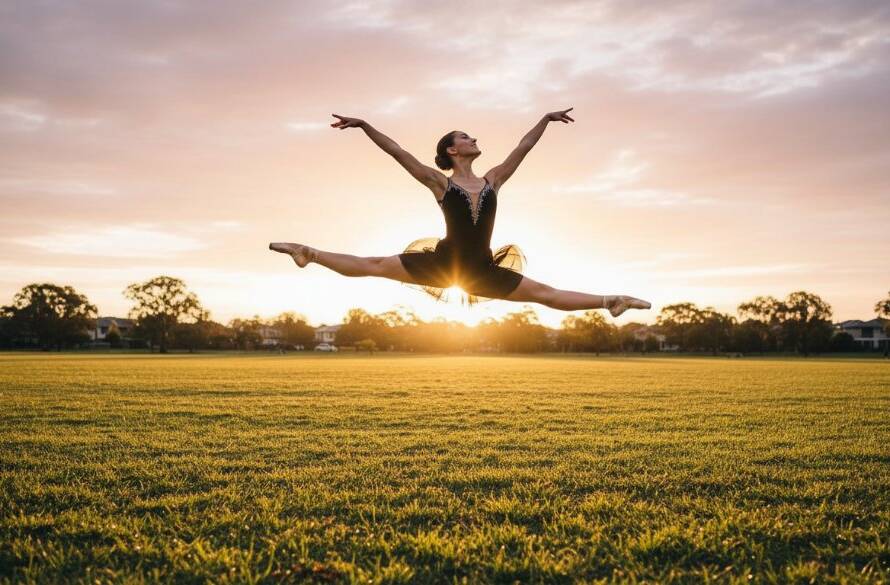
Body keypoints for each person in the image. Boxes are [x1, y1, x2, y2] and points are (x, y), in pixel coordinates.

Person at [270, 108, 651, 317]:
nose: (473, 140)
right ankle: (310, 253)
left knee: (546, 294)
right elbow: (398, 152)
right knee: (374, 264)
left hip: (481, 269)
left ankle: (610, 301)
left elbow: (523, 148)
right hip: (445, 263)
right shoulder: (440, 183)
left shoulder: (493, 180)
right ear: (453, 150)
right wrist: (366, 125)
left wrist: (545, 120)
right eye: (466, 137)